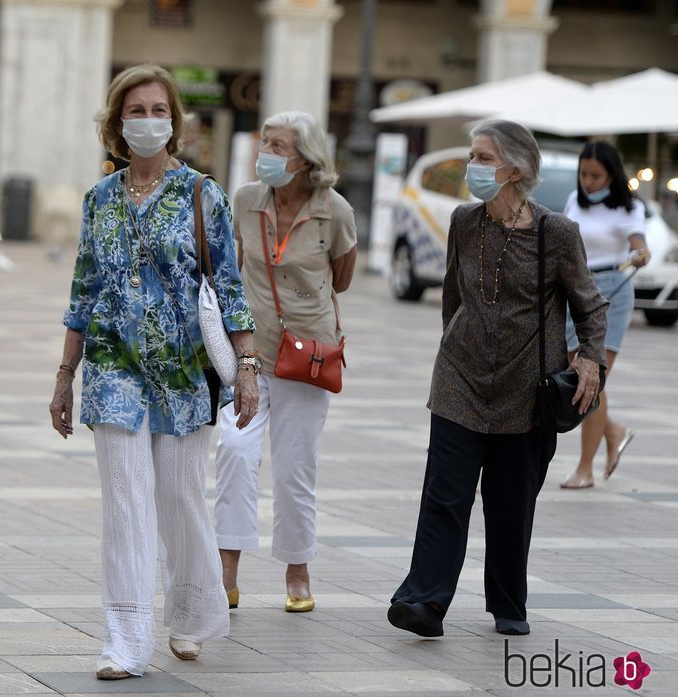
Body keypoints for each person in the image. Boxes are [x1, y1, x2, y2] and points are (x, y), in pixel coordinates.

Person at [49, 63, 258, 681]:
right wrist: (65, 375)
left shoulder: (202, 194)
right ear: (117, 123)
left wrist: (246, 368)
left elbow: (230, 287)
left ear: (175, 121)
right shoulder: (99, 199)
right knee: (124, 503)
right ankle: (126, 639)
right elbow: (82, 292)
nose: (147, 121)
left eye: (157, 111)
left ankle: (190, 614)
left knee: (179, 500)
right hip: (113, 370)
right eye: (135, 111)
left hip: (185, 375)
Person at [388, 120, 608, 638]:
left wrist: (591, 360)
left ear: (515, 169)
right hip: (459, 381)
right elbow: (451, 297)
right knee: (444, 496)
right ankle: (423, 601)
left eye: (483, 158)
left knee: (511, 503)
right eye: (473, 156)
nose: (473, 167)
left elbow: (590, 305)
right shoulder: (464, 221)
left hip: (525, 390)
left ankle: (508, 603)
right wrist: (457, 350)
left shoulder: (556, 233)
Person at [213, 111, 357, 614]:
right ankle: (226, 568)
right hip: (249, 353)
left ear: (306, 159)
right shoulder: (247, 199)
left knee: (295, 469)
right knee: (233, 450)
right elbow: (232, 267)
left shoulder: (334, 211)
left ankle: (297, 569)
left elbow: (341, 279)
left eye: (278, 146)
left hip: (307, 355)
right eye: (264, 143)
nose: (266, 153)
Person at [559, 141, 649, 489]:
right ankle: (613, 431)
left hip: (611, 289)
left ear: (612, 174)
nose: (588, 181)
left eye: (596, 175)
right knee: (573, 373)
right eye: (583, 174)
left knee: (592, 377)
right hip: (574, 288)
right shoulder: (573, 201)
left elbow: (639, 243)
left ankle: (585, 469)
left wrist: (641, 253)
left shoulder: (629, 207)